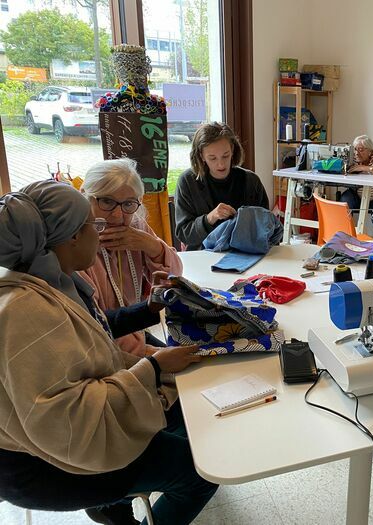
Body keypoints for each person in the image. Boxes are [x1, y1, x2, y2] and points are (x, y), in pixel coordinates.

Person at [0, 180, 217, 525]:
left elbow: (93, 332)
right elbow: (67, 420)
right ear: (71, 237)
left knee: (185, 410)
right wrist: (152, 368)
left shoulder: (49, 280)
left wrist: (147, 309)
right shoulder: (26, 311)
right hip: (40, 465)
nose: (101, 231)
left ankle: (116, 500)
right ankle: (112, 502)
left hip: (56, 440)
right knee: (199, 474)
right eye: (94, 224)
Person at [80, 158, 183, 356]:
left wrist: (151, 245)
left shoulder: (135, 225)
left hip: (134, 331)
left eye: (128, 203)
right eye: (107, 201)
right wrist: (148, 354)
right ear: (86, 197)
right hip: (103, 347)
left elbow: (176, 275)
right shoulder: (77, 246)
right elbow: (94, 324)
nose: (118, 215)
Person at [175, 122, 269, 249]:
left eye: (225, 156)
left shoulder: (251, 181)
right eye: (212, 158)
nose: (221, 164)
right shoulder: (187, 182)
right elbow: (183, 234)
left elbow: (266, 226)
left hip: (245, 254)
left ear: (232, 150)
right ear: (201, 156)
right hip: (202, 257)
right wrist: (210, 218)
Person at [340, 134, 373, 231]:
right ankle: (345, 235)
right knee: (345, 201)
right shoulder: (352, 157)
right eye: (355, 149)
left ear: (370, 151)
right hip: (357, 197)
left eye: (361, 150)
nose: (357, 153)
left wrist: (362, 168)